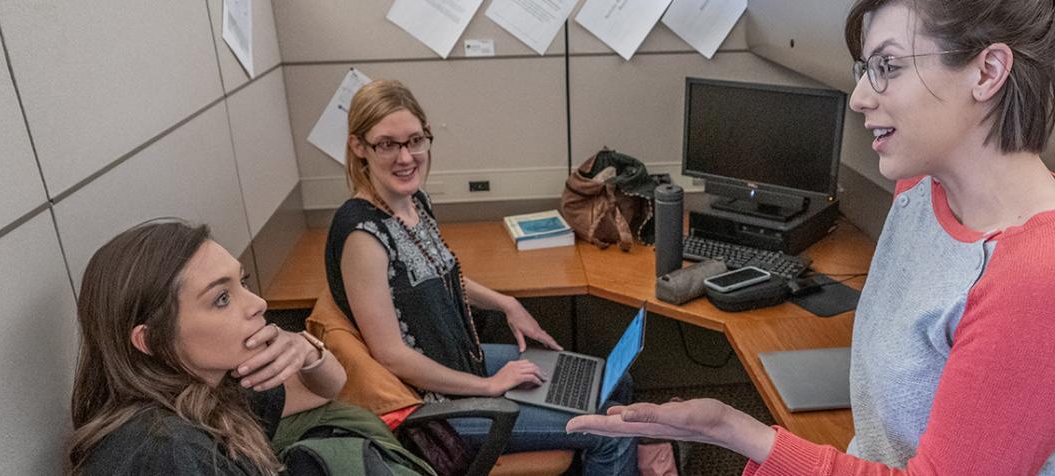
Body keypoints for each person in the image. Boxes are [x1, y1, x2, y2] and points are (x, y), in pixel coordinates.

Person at [568, 1, 1055, 474]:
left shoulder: (1048, 276)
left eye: (888, 66)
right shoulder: (922, 187)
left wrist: (735, 430)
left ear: (988, 73)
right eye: (865, 68)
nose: (862, 97)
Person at [326, 79, 638, 475]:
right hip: (437, 409)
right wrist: (491, 386)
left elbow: (438, 273)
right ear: (359, 147)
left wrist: (506, 304)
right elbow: (392, 354)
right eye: (388, 144)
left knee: (614, 381)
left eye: (415, 140)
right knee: (612, 429)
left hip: (463, 364)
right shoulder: (361, 235)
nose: (406, 157)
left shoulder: (412, 199)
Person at [67, 221, 351, 474]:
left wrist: (307, 350)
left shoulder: (208, 389)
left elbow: (323, 389)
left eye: (243, 282)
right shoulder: (169, 452)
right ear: (151, 339)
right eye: (222, 299)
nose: (258, 304)